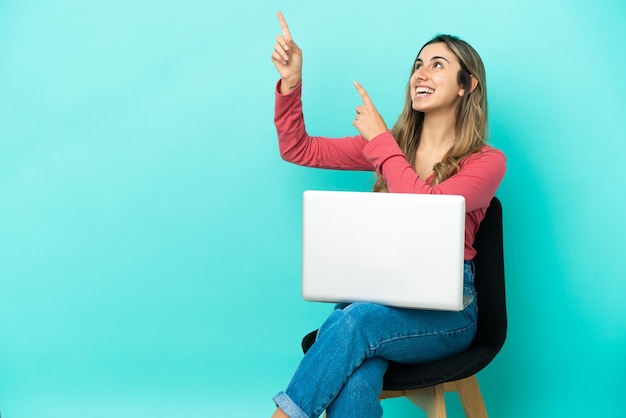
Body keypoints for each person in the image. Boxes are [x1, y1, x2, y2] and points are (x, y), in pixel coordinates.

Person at [269, 11, 506, 418]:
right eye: (417, 65)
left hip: (448, 314)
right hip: (378, 299)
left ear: (468, 85)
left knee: (352, 320)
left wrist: (381, 142)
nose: (420, 74)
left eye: (438, 65)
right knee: (357, 373)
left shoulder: (486, 162)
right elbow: (299, 149)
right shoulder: (392, 148)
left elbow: (429, 210)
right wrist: (291, 83)